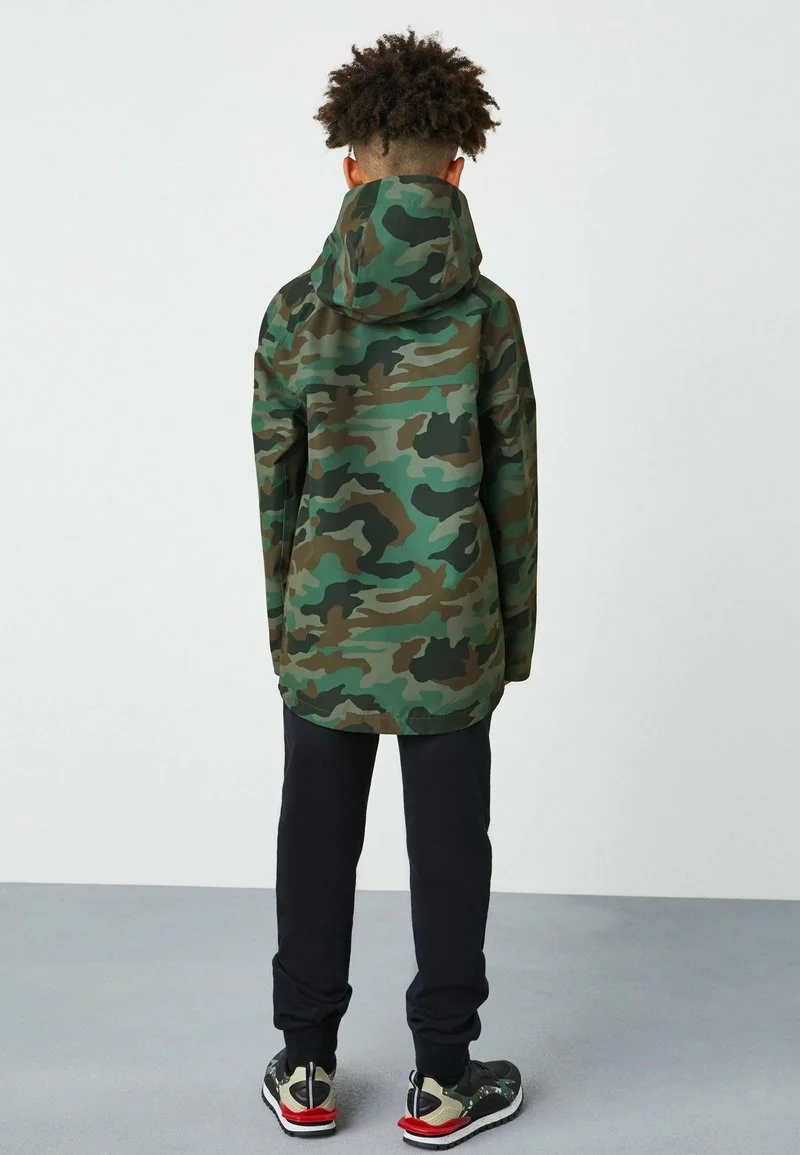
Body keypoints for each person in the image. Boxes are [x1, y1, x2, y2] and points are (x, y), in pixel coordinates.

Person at [251, 29, 538, 1148]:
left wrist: (287, 631)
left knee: (314, 837)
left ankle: (305, 1065)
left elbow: (275, 490)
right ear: (458, 168)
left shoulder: (293, 312)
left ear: (350, 167)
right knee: (450, 844)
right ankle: (443, 1082)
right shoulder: (487, 315)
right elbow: (513, 491)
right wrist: (508, 640)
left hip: (325, 624)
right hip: (452, 630)